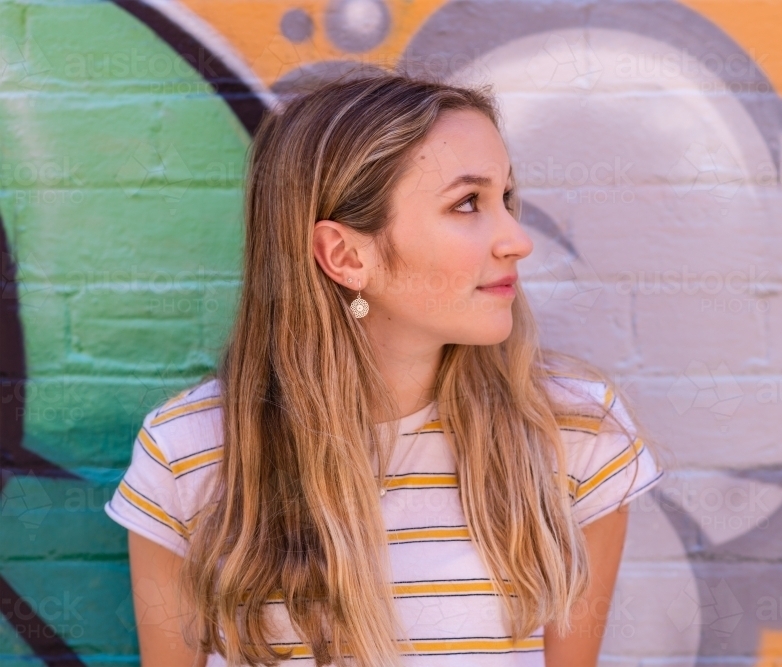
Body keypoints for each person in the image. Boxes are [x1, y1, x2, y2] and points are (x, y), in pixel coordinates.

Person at [104, 70, 666, 667]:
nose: (517, 239)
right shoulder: (191, 453)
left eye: (506, 198)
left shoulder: (574, 434)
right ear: (346, 255)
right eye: (467, 203)